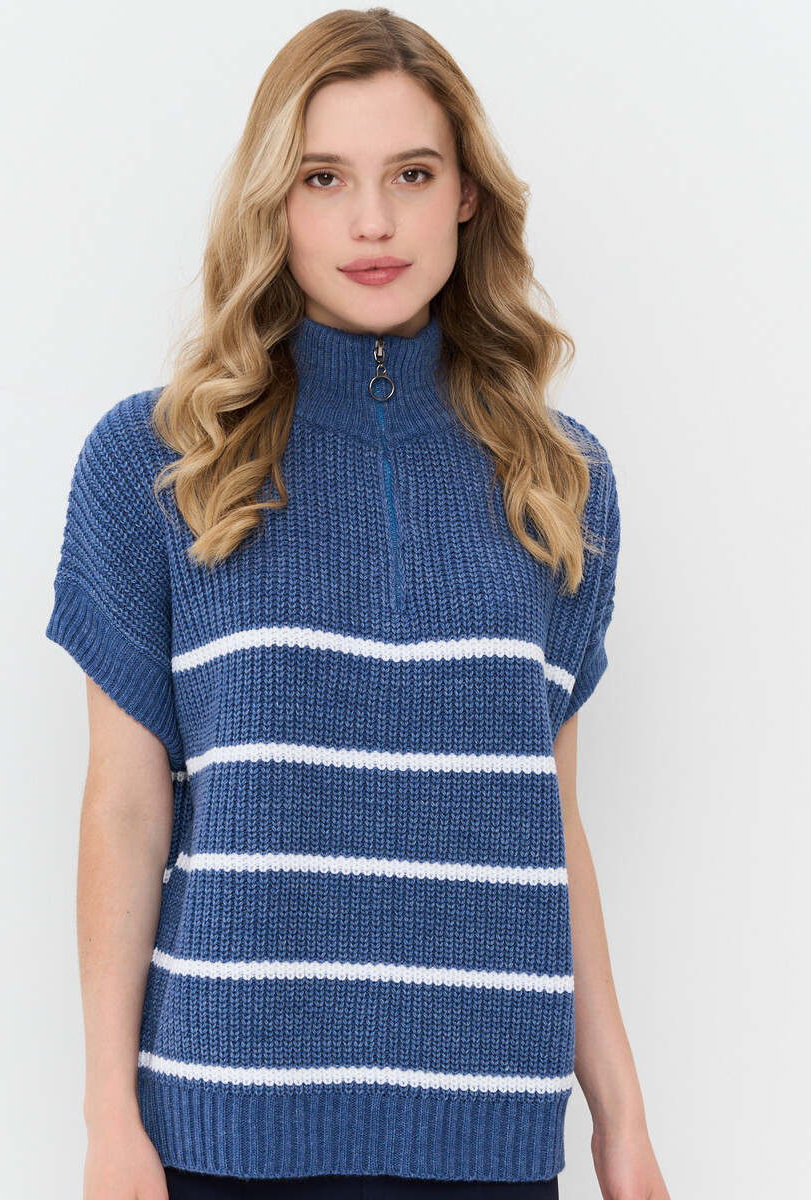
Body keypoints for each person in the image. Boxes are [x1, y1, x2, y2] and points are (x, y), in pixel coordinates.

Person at [45, 8, 670, 1200]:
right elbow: (123, 809)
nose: (371, 222)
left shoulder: (559, 479)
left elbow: (550, 825)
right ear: (273, 201)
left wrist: (622, 1123)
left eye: (412, 175)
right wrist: (107, 1119)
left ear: (467, 195)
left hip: (489, 1133)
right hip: (220, 1131)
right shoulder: (156, 461)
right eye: (323, 177)